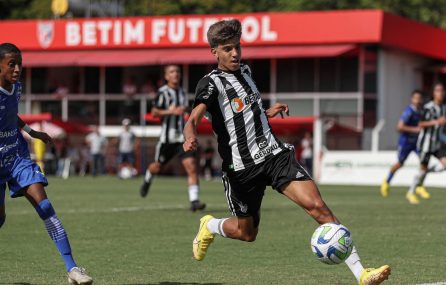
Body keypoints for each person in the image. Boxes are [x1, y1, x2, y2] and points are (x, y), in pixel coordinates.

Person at [183, 20, 390, 285]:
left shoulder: (245, 71)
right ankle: (210, 225)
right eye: (227, 49)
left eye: (237, 47)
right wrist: (190, 134)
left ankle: (361, 273)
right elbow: (193, 118)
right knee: (246, 233)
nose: (235, 54)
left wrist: (267, 112)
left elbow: (246, 113)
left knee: (318, 208)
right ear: (214, 51)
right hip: (242, 169)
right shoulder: (211, 83)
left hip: (274, 156)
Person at [0, 43, 92, 284]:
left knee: (45, 206)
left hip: (17, 156)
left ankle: (72, 268)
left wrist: (33, 132)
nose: (17, 68)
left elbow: (11, 114)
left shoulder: (17, 88)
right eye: (12, 64)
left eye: (20, 63)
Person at [139, 65, 206, 212]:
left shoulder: (182, 92)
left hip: (182, 139)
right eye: (172, 72)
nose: (175, 74)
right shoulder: (162, 92)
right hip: (167, 140)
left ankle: (194, 200)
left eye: (177, 72)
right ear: (166, 76)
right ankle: (148, 178)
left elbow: (186, 110)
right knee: (156, 167)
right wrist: (171, 111)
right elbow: (154, 112)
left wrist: (187, 110)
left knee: (192, 166)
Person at [407, 83, 446, 204]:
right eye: (437, 90)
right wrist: (437, 121)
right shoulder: (428, 107)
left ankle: (424, 176)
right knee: (422, 170)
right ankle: (411, 192)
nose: (440, 93)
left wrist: (444, 128)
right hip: (425, 144)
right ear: (433, 93)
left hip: (436, 143)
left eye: (442, 90)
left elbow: (442, 123)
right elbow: (421, 124)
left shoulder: (445, 107)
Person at [380, 90, 423, 197]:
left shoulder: (420, 111)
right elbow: (399, 127)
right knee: (400, 163)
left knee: (424, 162)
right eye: (415, 98)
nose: (417, 100)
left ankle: (419, 186)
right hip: (406, 143)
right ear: (412, 99)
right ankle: (386, 182)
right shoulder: (408, 112)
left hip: (416, 142)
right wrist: (415, 129)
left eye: (419, 98)